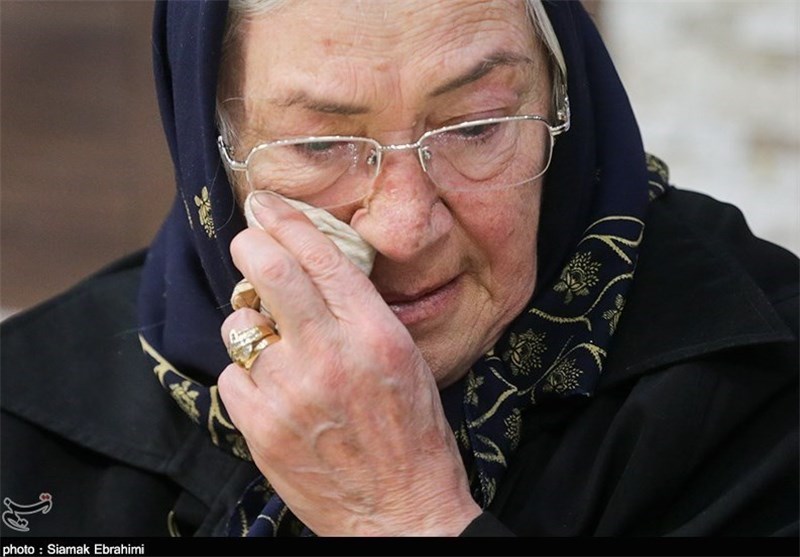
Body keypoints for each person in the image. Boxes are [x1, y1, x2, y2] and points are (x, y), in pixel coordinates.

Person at [1, 0, 797, 546]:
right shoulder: (29, 415)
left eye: (478, 127)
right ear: (213, 156)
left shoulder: (759, 379)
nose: (406, 227)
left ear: (565, 105)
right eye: (320, 145)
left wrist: (403, 513)